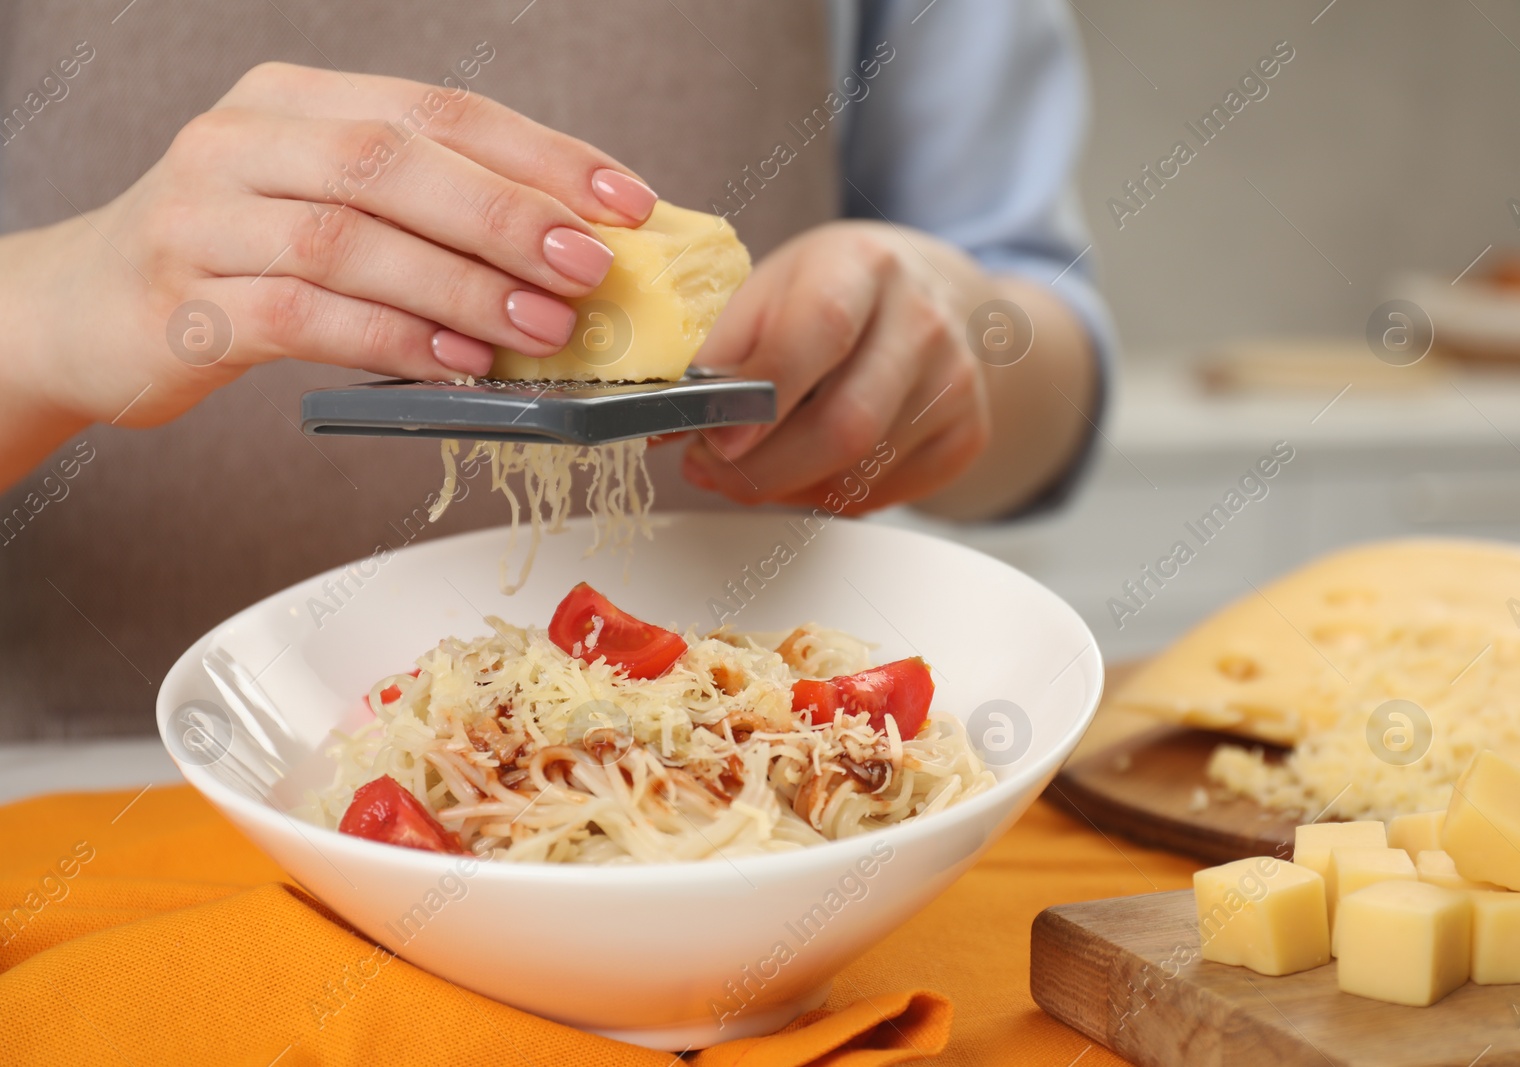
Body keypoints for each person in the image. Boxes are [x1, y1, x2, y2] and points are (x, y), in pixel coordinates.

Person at [0, 0, 1111, 736]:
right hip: (80, 795)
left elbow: (1046, 375)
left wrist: (958, 329)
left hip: (744, 767)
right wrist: (44, 316)